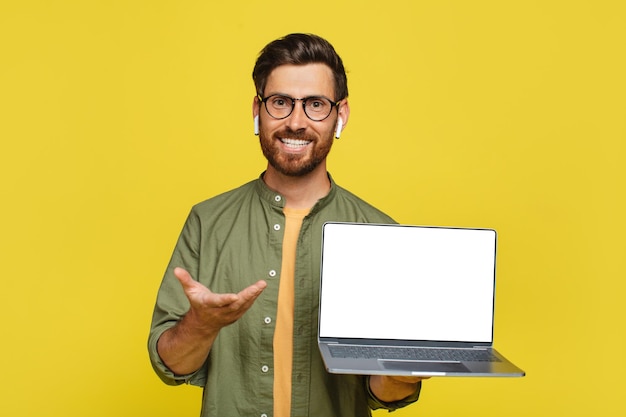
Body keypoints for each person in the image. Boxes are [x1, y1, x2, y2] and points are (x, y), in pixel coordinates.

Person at [148, 33, 426, 417]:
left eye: (315, 104)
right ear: (257, 110)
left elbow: (384, 394)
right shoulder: (207, 221)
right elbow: (171, 365)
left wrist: (409, 365)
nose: (296, 122)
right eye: (280, 103)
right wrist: (201, 324)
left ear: (340, 115)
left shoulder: (381, 236)